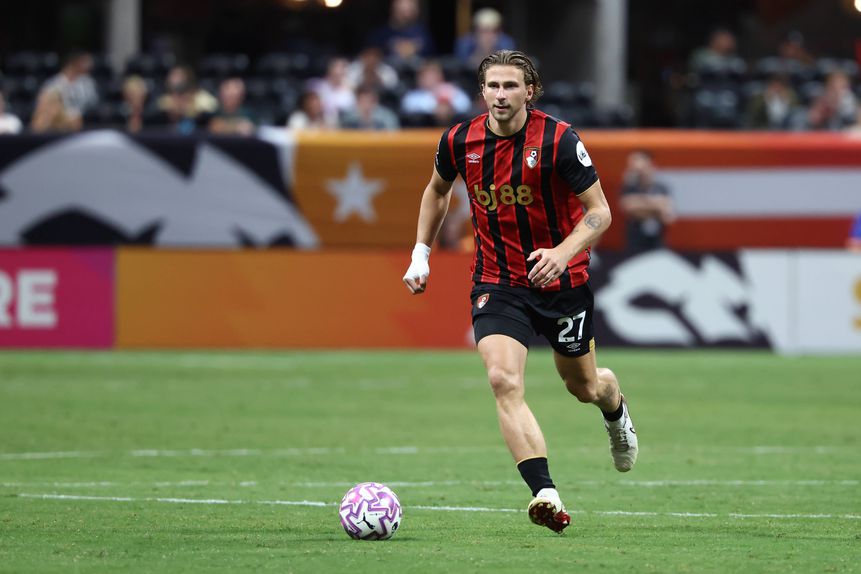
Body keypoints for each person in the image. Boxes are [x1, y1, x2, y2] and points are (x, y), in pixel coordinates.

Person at [402, 50, 638, 534]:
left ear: (530, 91)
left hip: (561, 282)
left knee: (583, 387)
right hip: (498, 281)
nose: (501, 94)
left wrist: (563, 253)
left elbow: (600, 211)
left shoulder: (559, 139)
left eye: (511, 85)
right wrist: (421, 253)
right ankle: (545, 493)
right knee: (502, 380)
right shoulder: (459, 140)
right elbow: (437, 190)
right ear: (482, 91)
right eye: (493, 85)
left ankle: (613, 404)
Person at [619, 150, 675, 252]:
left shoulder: (661, 187)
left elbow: (667, 216)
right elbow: (629, 208)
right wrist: (656, 205)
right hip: (635, 243)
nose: (633, 167)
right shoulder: (629, 187)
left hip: (658, 242)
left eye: (637, 161)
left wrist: (639, 204)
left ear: (649, 163)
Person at [367, 0, 435, 65]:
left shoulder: (422, 33)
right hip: (389, 70)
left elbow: (433, 56)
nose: (406, 15)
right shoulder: (382, 34)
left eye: (409, 10)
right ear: (393, 9)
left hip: (416, 70)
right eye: (402, 10)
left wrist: (414, 48)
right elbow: (370, 54)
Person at [40, 51, 99, 118]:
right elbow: (45, 106)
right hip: (59, 120)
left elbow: (93, 104)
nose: (90, 66)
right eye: (84, 61)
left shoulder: (88, 82)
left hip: (85, 119)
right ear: (74, 63)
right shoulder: (53, 83)